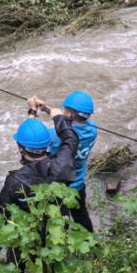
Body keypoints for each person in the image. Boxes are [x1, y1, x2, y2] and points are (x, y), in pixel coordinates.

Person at [0, 103, 79, 273]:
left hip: (28, 237)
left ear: (19, 148)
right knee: (56, 260)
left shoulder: (15, 181)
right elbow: (71, 139)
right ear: (47, 144)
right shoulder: (62, 164)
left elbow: (2, 211)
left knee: (15, 264)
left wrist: (31, 113)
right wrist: (56, 116)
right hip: (58, 229)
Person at [31, 91, 97, 232]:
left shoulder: (54, 136)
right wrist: (48, 109)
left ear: (70, 114)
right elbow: (68, 125)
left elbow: (32, 139)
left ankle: (63, 242)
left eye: (65, 109)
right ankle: (90, 242)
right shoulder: (92, 129)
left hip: (59, 188)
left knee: (61, 219)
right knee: (81, 216)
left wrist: (32, 111)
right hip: (78, 184)